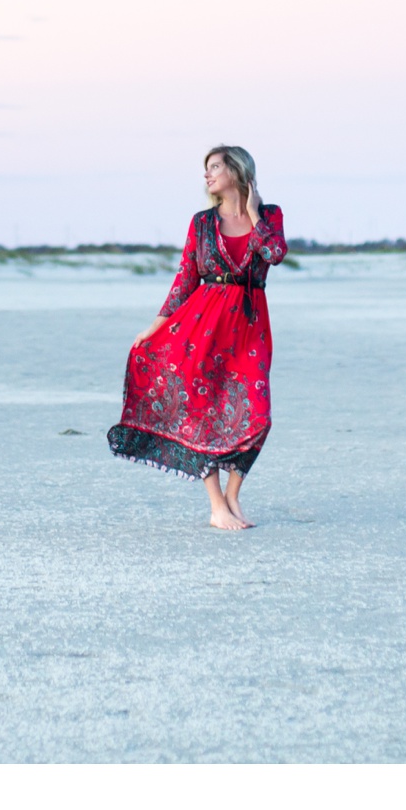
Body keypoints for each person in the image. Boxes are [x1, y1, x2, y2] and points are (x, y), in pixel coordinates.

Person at [108, 144, 286, 530]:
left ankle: (234, 494)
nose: (208, 175)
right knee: (203, 411)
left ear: (237, 171)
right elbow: (186, 277)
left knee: (258, 415)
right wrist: (155, 326)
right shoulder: (202, 222)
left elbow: (273, 253)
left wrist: (253, 214)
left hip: (249, 323)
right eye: (206, 169)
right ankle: (217, 504)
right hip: (203, 322)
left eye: (216, 167)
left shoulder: (269, 216)